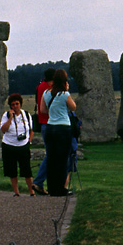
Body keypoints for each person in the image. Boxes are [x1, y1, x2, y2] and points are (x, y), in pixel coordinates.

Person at [39, 69, 76, 197]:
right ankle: (60, 188)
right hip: (63, 127)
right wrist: (67, 90)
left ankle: (52, 188)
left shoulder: (46, 93)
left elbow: (43, 109)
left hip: (50, 127)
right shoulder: (64, 94)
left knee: (51, 158)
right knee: (62, 159)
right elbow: (73, 107)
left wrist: (53, 112)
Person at [0, 94, 34, 196]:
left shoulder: (27, 115)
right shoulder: (6, 116)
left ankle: (31, 192)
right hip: (9, 145)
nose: (15, 106)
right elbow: (3, 129)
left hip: (23, 145)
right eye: (13, 104)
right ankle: (16, 192)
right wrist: (10, 118)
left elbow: (31, 130)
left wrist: (29, 141)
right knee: (12, 171)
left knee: (27, 170)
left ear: (20, 104)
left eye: (17, 104)